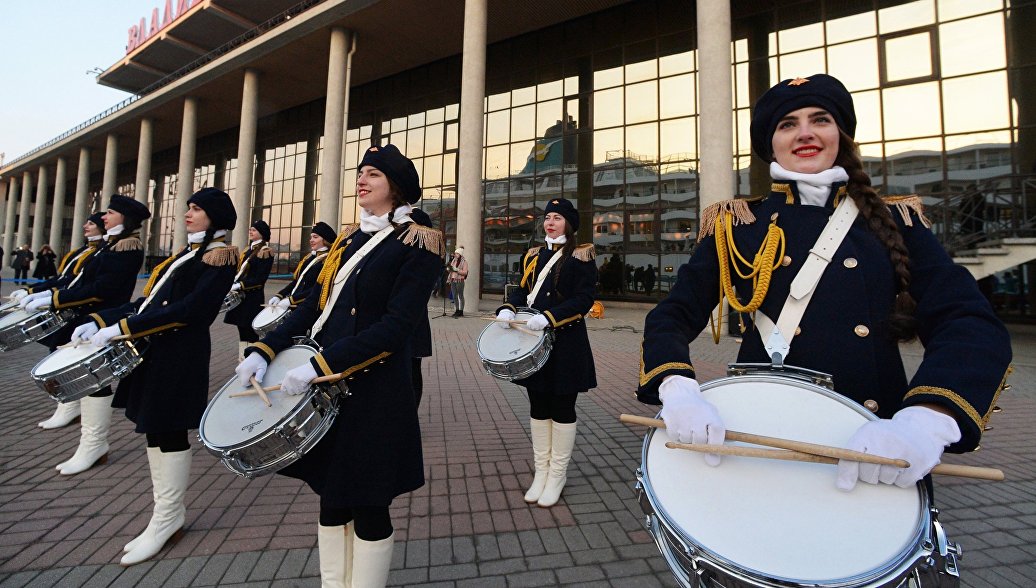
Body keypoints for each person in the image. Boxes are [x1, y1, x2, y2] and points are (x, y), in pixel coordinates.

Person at [638, 74, 1011, 493]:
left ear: (840, 134)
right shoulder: (735, 223)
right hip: (759, 432)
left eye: (820, 119)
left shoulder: (897, 221)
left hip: (872, 438)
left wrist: (927, 418)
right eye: (788, 124)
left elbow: (967, 320)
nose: (805, 133)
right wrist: (679, 388)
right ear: (771, 143)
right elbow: (674, 313)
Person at [235, 144, 442, 587]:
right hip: (327, 387)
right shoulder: (348, 239)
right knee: (331, 496)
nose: (362, 180)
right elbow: (314, 304)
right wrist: (265, 349)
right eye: (361, 172)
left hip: (374, 389)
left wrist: (322, 364)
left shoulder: (417, 242)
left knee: (368, 502)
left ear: (397, 188)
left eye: (374, 175)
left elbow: (397, 326)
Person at [71, 187, 238, 566]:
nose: (188, 214)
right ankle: (165, 514)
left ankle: (168, 516)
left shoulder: (220, 256)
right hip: (156, 351)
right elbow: (148, 301)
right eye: (188, 208)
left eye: (196, 209)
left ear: (215, 216)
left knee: (170, 428)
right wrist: (101, 320)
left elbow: (191, 309)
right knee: (155, 429)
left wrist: (126, 327)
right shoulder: (189, 254)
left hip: (181, 355)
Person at [21, 197, 149, 475]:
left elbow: (100, 289)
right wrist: (41, 293)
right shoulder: (111, 245)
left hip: (102, 318)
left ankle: (94, 444)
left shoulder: (127, 247)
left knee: (96, 380)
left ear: (124, 217)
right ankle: (89, 440)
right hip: (87, 318)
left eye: (111, 213)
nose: (104, 217)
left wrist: (54, 300)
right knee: (87, 377)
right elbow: (76, 280)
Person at [495, 197, 598, 508]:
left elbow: (583, 300)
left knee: (563, 407)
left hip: (566, 342)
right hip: (533, 342)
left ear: (569, 223)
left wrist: (550, 317)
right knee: (538, 406)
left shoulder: (582, 256)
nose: (550, 222)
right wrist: (508, 308)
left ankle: (557, 475)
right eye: (548, 217)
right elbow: (522, 289)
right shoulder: (534, 256)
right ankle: (541, 472)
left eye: (557, 217)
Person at [24, 213, 107, 430]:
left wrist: (52, 298)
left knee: (88, 369)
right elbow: (65, 280)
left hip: (87, 312)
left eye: (92, 223)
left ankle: (73, 412)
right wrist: (32, 291)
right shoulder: (85, 251)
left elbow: (93, 287)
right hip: (72, 309)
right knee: (59, 355)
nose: (85, 226)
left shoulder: (108, 251)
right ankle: (68, 407)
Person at [224, 219, 273, 358]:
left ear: (262, 234)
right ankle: (243, 359)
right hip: (241, 298)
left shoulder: (265, 251)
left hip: (252, 298)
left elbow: (260, 279)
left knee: (251, 333)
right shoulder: (248, 250)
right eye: (250, 229)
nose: (250, 232)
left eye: (254, 230)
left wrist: (240, 285)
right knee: (242, 331)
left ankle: (251, 359)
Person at [268, 221, 337, 309]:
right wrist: (280, 295)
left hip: (310, 307)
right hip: (296, 304)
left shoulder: (329, 261)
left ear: (325, 240)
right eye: (311, 237)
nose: (311, 240)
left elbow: (318, 289)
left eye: (315, 237)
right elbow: (298, 281)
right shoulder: (309, 257)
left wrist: (292, 300)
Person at [409, 207, 437, 407]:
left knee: (411, 370)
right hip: (408, 324)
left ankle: (410, 413)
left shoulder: (425, 256)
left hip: (413, 324)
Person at [447, 245, 468, 317]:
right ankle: (457, 310)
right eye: (455, 253)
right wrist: (449, 269)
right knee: (454, 296)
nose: (455, 255)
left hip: (460, 281)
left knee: (460, 296)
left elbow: (465, 272)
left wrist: (457, 270)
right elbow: (451, 269)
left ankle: (461, 311)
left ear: (460, 254)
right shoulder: (453, 260)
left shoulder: (464, 262)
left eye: (457, 253)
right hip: (453, 280)